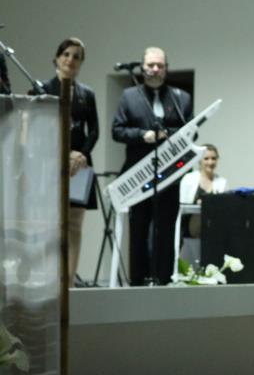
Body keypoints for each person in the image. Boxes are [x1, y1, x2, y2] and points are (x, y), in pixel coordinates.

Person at [112, 46, 192, 286]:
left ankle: (163, 278)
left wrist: (169, 135)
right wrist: (142, 135)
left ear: (166, 69)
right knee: (138, 227)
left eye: (160, 65)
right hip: (138, 174)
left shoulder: (181, 98)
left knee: (165, 228)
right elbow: (117, 130)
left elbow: (191, 131)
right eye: (150, 65)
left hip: (169, 174)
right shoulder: (129, 96)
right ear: (142, 67)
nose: (155, 70)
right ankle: (137, 280)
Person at [40, 38, 99, 286]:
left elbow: (94, 130)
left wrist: (80, 154)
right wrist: (62, 155)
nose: (70, 60)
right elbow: (38, 130)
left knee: (75, 224)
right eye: (66, 54)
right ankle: (49, 278)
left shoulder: (87, 94)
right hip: (50, 164)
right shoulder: (42, 89)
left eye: (77, 56)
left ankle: (70, 281)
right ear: (57, 57)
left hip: (80, 166)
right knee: (51, 223)